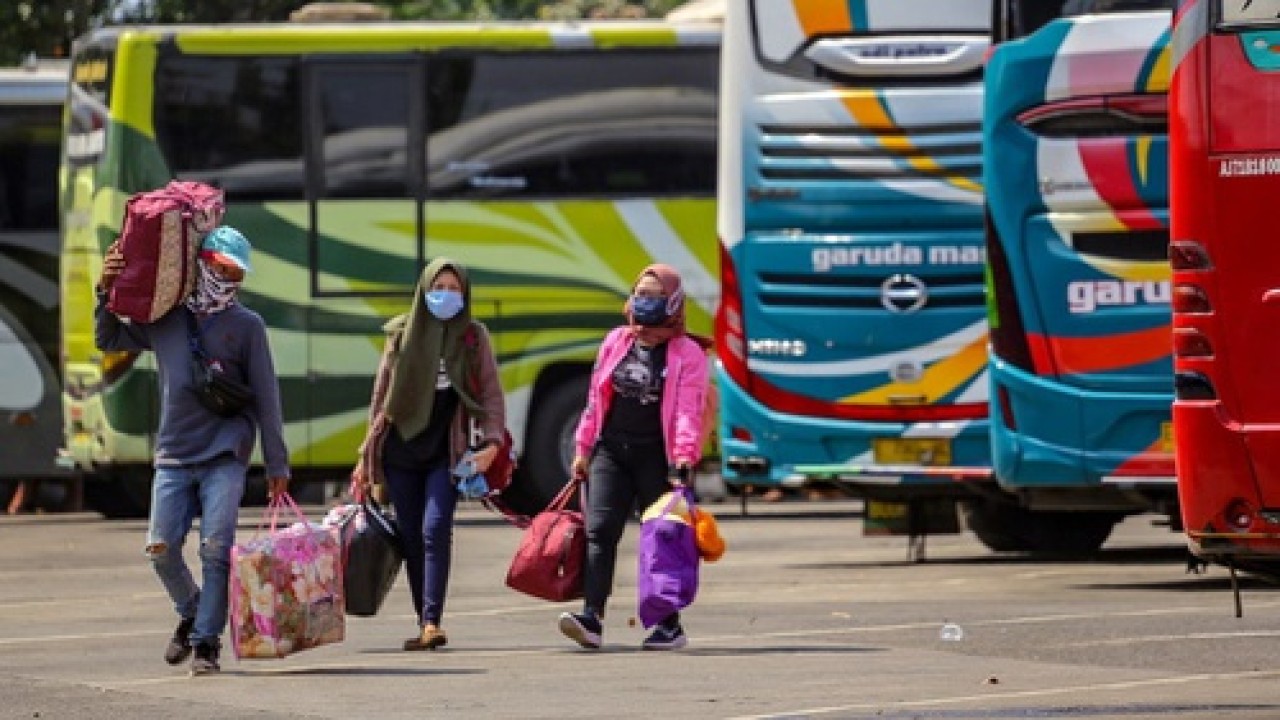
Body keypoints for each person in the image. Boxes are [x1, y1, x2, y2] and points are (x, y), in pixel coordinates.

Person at [94, 226, 290, 676]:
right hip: (173, 455)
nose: (229, 280)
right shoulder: (166, 318)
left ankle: (205, 644)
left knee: (216, 550)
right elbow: (110, 338)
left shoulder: (248, 326)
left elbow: (267, 397)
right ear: (202, 263)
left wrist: (276, 462)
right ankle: (194, 610)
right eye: (223, 269)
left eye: (237, 274)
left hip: (226, 455)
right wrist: (105, 289)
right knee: (160, 550)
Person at [353, 257, 507, 651]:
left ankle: (432, 619)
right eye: (439, 288)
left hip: (446, 450)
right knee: (410, 536)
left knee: (435, 528)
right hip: (400, 450)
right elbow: (380, 398)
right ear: (424, 291)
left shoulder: (473, 337)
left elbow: (491, 394)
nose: (446, 295)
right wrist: (366, 459)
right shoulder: (401, 334)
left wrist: (492, 444)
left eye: (455, 289)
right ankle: (425, 622)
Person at [558, 263, 711, 651]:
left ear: (673, 302)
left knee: (660, 538)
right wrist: (583, 448)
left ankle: (668, 625)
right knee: (600, 530)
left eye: (656, 296)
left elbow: (687, 411)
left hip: (656, 455)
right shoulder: (617, 341)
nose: (645, 302)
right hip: (611, 449)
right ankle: (591, 617)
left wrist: (683, 458)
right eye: (640, 294)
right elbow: (595, 398)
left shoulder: (688, 353)